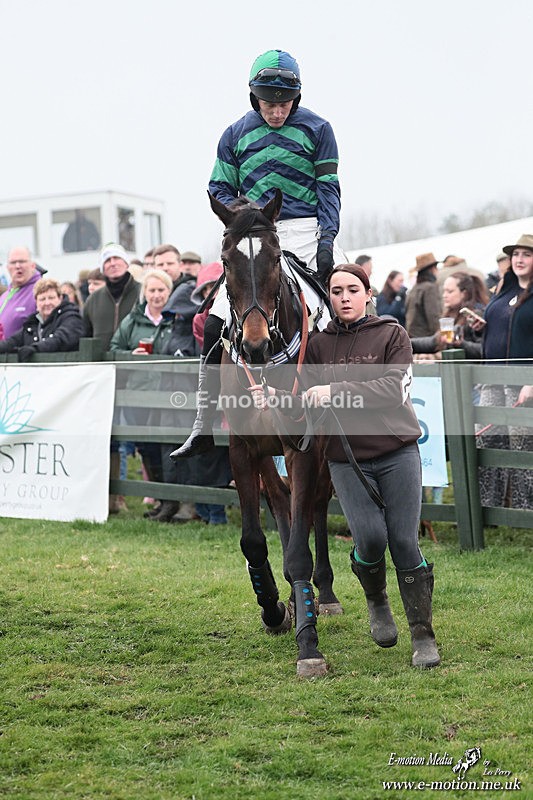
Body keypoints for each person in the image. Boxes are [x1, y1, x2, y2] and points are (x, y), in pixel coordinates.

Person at [249, 264, 440, 668]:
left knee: (404, 542)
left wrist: (335, 389)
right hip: (346, 461)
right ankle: (376, 600)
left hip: (398, 453)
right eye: (336, 291)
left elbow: (394, 389)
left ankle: (423, 635)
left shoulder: (392, 334)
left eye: (353, 289)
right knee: (369, 540)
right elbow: (305, 407)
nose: (345, 297)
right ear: (329, 298)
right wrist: (274, 401)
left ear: (368, 293)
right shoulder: (317, 345)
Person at [172, 48, 345, 459]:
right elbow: (217, 188)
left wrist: (327, 240)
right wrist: (243, 214)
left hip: (303, 229)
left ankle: (349, 413)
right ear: (254, 98)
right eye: (268, 104)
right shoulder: (234, 134)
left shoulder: (319, 129)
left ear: (296, 99)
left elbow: (329, 189)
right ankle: (203, 423)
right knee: (214, 321)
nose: (276, 112)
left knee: (343, 308)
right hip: (253, 229)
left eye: (284, 104)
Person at [110, 269, 176, 512]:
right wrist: (131, 355)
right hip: (139, 392)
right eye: (152, 290)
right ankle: (159, 497)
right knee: (144, 445)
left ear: (169, 292)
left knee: (167, 445)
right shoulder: (133, 319)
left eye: (161, 290)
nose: (157, 295)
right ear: (144, 293)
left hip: (169, 392)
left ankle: (171, 499)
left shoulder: (175, 317)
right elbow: (115, 347)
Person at [477, 234, 533, 510]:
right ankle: (489, 509)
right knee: (487, 441)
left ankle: (525, 512)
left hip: (522, 382)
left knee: (522, 445)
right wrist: (481, 327)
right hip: (492, 380)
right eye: (516, 254)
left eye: (527, 254)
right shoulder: (504, 291)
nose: (519, 259)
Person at [0, 278, 84, 360]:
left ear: (60, 298)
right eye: (42, 299)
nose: (47, 303)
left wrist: (35, 349)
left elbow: (60, 339)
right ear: (36, 302)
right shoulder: (33, 323)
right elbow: (12, 341)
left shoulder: (71, 317)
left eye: (51, 298)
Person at [83, 243, 140, 350]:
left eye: (117, 258)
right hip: (102, 363)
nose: (113, 263)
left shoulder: (142, 293)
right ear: (102, 267)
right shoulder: (93, 300)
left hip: (134, 361)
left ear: (126, 263)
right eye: (108, 260)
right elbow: (85, 335)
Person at [0, 246, 40, 339]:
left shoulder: (40, 292)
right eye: (13, 262)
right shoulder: (4, 296)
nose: (18, 266)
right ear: (7, 267)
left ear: (32, 265)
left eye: (22, 261)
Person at [405, 253, 442, 338]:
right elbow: (434, 318)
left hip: (413, 339)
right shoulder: (430, 288)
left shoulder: (414, 289)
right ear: (432, 269)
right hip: (427, 339)